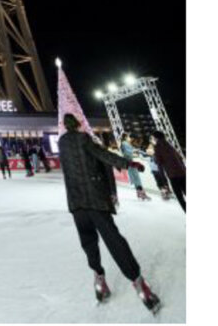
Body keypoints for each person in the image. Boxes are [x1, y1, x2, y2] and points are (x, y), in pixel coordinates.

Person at [58, 114, 160, 314]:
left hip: (76, 203)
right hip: (94, 200)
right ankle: (140, 285)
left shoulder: (62, 143)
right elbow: (104, 155)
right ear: (78, 125)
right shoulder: (84, 139)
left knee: (88, 242)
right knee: (114, 240)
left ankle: (99, 279)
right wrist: (129, 164)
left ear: (64, 126)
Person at [150, 131, 186, 211]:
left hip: (173, 175)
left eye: (152, 138)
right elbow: (180, 158)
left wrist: (164, 181)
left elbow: (159, 164)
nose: (152, 140)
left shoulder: (157, 147)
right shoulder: (170, 144)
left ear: (155, 138)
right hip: (182, 173)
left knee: (180, 197)